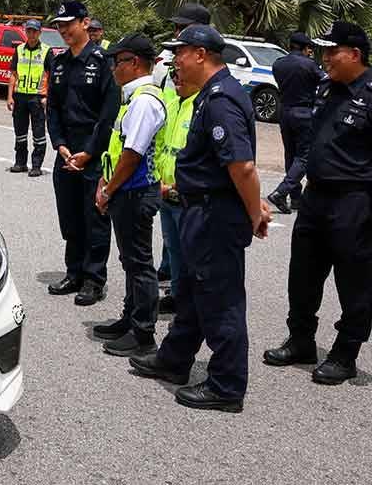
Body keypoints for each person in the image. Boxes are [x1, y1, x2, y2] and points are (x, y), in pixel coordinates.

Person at [128, 25, 270, 413]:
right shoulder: (208, 94)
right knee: (189, 290)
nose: (175, 61)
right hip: (199, 209)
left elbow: (242, 167)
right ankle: (175, 360)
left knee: (220, 299)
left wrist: (255, 211)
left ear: (201, 55)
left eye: (181, 53)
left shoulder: (222, 99)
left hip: (215, 215)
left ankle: (227, 386)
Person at [262, 21, 372, 385]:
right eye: (322, 51)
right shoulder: (326, 88)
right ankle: (301, 340)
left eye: (331, 51)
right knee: (303, 275)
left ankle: (345, 354)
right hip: (316, 196)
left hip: (355, 202)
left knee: (354, 283)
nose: (324, 58)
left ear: (354, 54)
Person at [92, 34, 167, 356]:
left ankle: (143, 333)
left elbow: (132, 154)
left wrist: (109, 189)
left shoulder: (144, 101)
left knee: (139, 263)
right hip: (126, 190)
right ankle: (130, 317)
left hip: (135, 192)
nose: (113, 68)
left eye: (117, 61)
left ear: (134, 62)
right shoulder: (133, 98)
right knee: (130, 260)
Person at [46, 0, 120, 306]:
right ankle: (73, 271)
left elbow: (108, 113)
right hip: (66, 151)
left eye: (68, 24)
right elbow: (53, 108)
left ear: (84, 23)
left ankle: (94, 279)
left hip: (94, 153)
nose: (63, 30)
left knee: (95, 217)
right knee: (71, 217)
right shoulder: (59, 62)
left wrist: (89, 153)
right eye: (60, 25)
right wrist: (61, 146)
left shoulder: (103, 61)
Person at [155, 63, 199, 315]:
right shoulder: (172, 104)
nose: (175, 80)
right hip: (166, 195)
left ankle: (188, 306)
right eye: (173, 76)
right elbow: (161, 146)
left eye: (180, 75)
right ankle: (176, 294)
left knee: (189, 255)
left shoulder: (201, 108)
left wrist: (176, 185)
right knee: (173, 251)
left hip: (186, 196)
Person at [267, 32, 323, 214]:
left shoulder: (278, 64)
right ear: (306, 48)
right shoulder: (310, 65)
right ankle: (281, 192)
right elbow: (324, 81)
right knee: (304, 156)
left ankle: (296, 197)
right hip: (304, 112)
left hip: (285, 111)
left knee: (290, 155)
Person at [7, 19, 50, 176]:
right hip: (20, 97)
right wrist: (10, 96)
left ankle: (36, 165)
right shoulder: (19, 50)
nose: (31, 34)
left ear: (39, 33)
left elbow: (51, 76)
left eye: (34, 31)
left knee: (38, 133)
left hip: (37, 98)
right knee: (20, 132)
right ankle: (20, 163)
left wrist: (47, 96)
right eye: (29, 31)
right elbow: (13, 74)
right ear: (25, 31)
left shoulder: (46, 51)